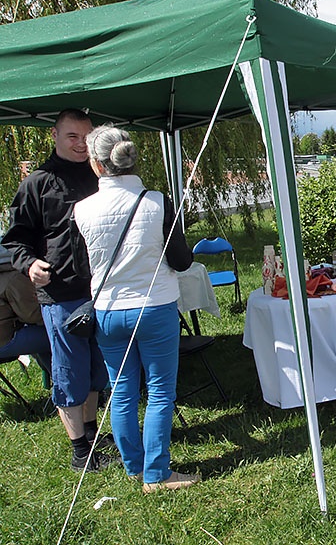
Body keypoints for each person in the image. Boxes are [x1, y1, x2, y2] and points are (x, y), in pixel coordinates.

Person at [73, 126, 198, 492]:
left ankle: (134, 466)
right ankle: (157, 474)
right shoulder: (158, 201)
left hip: (108, 311)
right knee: (160, 391)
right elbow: (181, 259)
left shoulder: (81, 210)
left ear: (97, 164)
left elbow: (82, 269)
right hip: (155, 305)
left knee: (121, 389)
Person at [0, 109, 115, 473]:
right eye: (72, 137)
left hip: (101, 289)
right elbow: (16, 239)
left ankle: (94, 434)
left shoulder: (101, 176)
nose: (82, 145)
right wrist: (29, 264)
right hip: (60, 294)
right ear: (55, 135)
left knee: (96, 369)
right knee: (69, 371)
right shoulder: (38, 182)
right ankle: (80, 450)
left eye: (87, 137)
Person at [0, 243, 52, 371]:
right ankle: (88, 385)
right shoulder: (12, 277)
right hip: (4, 341)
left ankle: (60, 381)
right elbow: (31, 315)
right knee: (61, 332)